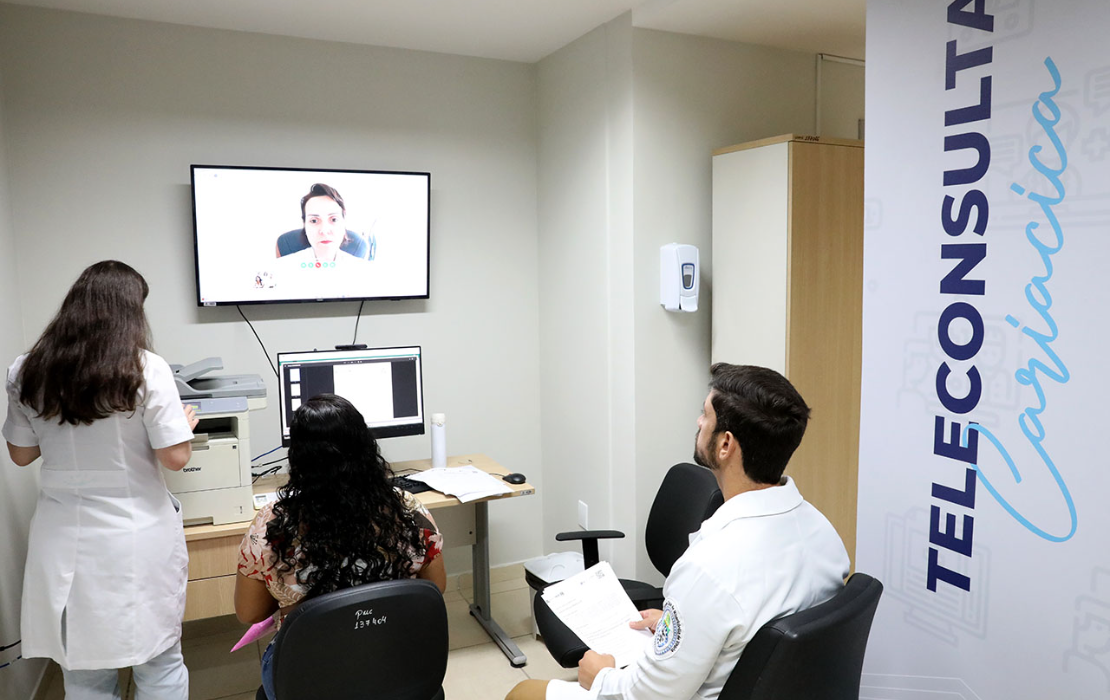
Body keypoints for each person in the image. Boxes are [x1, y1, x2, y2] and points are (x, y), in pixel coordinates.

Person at [508, 363, 850, 700]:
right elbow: (760, 626)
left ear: (725, 445)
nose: (698, 422)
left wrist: (600, 678)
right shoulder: (824, 532)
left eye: (705, 415)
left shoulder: (708, 568)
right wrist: (683, 628)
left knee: (524, 692)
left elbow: (648, 696)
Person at [3, 260, 198, 700]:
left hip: (62, 539)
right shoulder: (145, 369)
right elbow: (176, 458)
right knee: (159, 664)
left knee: (83, 673)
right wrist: (182, 427)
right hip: (135, 537)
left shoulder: (27, 370)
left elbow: (21, 454)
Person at [235, 393, 446, 700]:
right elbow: (435, 588)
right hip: (395, 664)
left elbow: (249, 612)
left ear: (299, 457)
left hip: (310, 679)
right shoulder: (409, 510)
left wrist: (291, 601)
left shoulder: (272, 525)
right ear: (366, 446)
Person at [273, 183, 371, 261]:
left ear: (343, 223)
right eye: (314, 221)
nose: (324, 230)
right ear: (305, 225)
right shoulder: (282, 268)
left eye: (334, 219)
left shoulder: (362, 271)